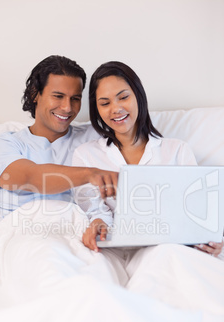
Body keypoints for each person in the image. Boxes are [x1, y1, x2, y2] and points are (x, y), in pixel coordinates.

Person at [72, 61, 223, 259]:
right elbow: (94, 212)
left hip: (168, 250)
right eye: (105, 103)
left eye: (123, 97)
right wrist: (97, 223)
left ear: (138, 96)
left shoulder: (177, 150)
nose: (115, 109)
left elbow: (195, 214)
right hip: (113, 253)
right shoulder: (86, 155)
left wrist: (210, 241)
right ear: (97, 109)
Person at [0, 55, 118, 217]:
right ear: (35, 94)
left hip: (78, 233)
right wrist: (90, 174)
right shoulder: (5, 144)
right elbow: (30, 177)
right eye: (58, 96)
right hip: (23, 233)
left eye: (75, 98)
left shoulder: (95, 136)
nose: (67, 108)